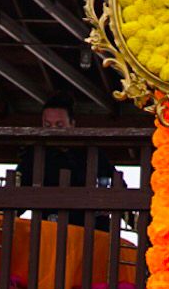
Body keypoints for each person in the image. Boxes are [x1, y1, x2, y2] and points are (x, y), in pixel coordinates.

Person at [17, 93, 121, 228]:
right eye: (47, 125)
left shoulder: (91, 153)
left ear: (72, 124)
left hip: (90, 231)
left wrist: (105, 202)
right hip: (49, 231)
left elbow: (116, 186)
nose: (53, 131)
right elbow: (18, 194)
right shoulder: (35, 155)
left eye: (59, 125)